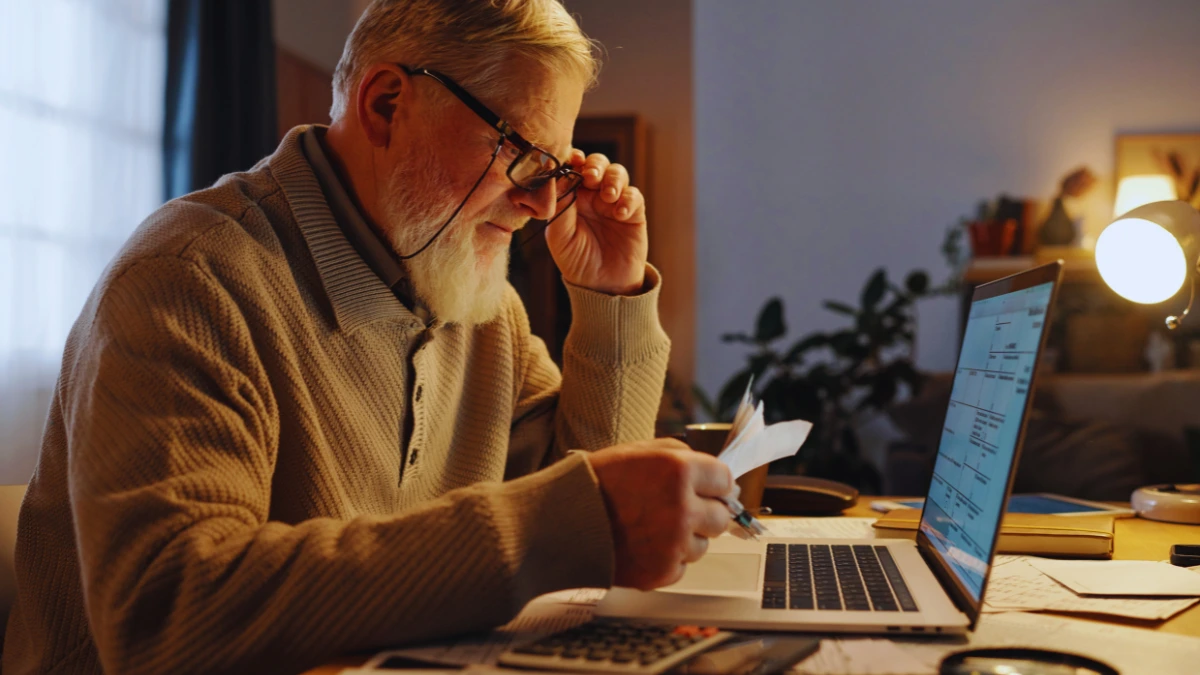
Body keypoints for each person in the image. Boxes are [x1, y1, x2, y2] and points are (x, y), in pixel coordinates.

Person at [3, 1, 735, 674]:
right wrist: (547, 530)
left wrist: (610, 297)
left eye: (555, 169)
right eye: (520, 152)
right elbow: (168, 617)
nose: (543, 204)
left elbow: (601, 532)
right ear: (387, 103)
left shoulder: (483, 309)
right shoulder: (191, 280)